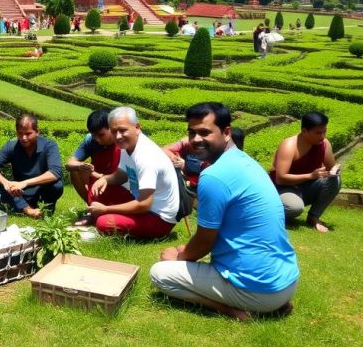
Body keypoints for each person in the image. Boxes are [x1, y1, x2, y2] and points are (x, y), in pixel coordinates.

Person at [151, 103, 299, 321]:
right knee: (183, 254)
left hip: (258, 290)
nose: (196, 140)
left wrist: (178, 257)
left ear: (226, 132)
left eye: (205, 132)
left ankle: (235, 311)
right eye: (191, 133)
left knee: (160, 273)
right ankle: (271, 304)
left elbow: (204, 241)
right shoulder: (247, 162)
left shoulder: (214, 176)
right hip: (286, 281)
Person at [87, 107, 180, 239]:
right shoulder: (127, 145)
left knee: (104, 223)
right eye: (114, 131)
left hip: (158, 218)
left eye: (123, 130)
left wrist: (106, 209)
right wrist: (104, 179)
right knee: (96, 189)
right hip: (139, 201)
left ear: (137, 127)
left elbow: (144, 205)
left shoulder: (146, 157)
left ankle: (104, 217)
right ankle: (101, 215)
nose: (118, 136)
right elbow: (121, 175)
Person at [0, 114, 63, 219]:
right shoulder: (12, 146)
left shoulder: (49, 146)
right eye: (20, 134)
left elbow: (55, 173)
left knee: (57, 185)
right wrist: (6, 182)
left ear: (37, 132)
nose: (24, 138)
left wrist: (24, 183)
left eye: (28, 134)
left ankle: (45, 209)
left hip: (40, 192)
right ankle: (26, 209)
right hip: (18, 193)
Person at [270, 112, 340, 233]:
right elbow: (281, 178)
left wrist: (336, 169)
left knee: (335, 180)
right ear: (304, 131)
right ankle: (265, 210)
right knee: (294, 208)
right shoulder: (289, 146)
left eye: (324, 131)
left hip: (305, 187)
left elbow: (331, 168)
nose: (322, 136)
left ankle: (313, 217)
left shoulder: (324, 144)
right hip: (281, 188)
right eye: (318, 133)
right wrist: (311, 176)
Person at [66, 110, 125, 208]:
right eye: (94, 135)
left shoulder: (122, 141)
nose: (97, 139)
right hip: (97, 179)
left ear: (111, 128)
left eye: (101, 135)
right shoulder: (90, 140)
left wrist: (99, 176)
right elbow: (69, 164)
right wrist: (80, 166)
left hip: (118, 179)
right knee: (74, 170)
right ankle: (91, 205)